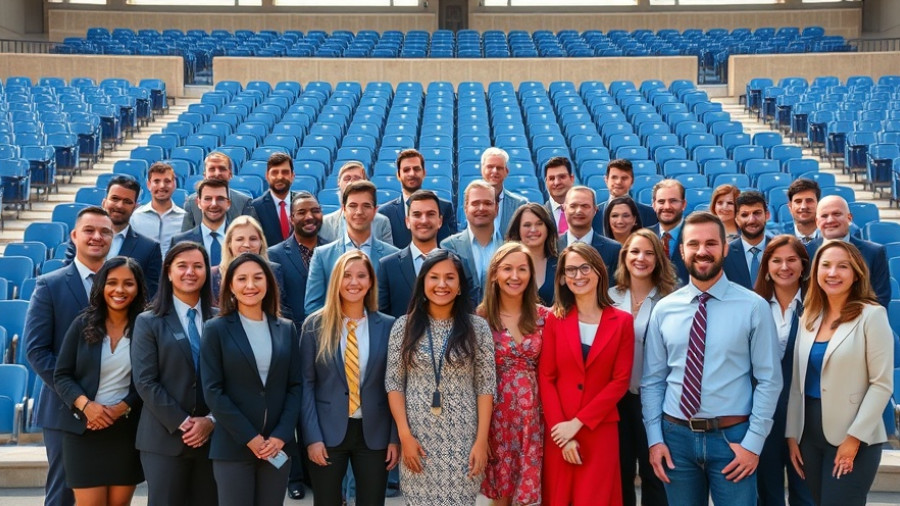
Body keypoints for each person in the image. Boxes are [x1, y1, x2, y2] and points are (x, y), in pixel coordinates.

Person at [642, 211, 781, 506]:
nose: (702, 251)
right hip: (675, 439)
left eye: (710, 244)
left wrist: (753, 444)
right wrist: (655, 439)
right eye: (693, 244)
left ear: (725, 247)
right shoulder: (665, 309)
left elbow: (770, 380)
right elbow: (653, 380)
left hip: (733, 441)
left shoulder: (753, 307)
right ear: (682, 250)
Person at [786, 240, 893, 506]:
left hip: (854, 435)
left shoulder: (873, 315)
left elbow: (881, 385)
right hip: (808, 435)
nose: (833, 273)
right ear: (816, 271)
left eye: (842, 266)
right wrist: (791, 435)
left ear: (856, 273)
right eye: (826, 265)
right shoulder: (809, 316)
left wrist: (853, 439)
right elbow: (797, 383)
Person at [385, 249, 496, 505]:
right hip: (417, 440)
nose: (442, 285)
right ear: (423, 283)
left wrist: (481, 441)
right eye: (434, 277)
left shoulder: (477, 327)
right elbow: (394, 384)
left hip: (463, 441)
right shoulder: (404, 326)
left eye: (450, 278)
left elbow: (486, 386)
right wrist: (404, 436)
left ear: (459, 286)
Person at [25, 206, 114, 506]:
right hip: (66, 412)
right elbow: (37, 351)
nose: (97, 237)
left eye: (105, 232)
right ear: (74, 235)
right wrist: (80, 400)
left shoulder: (123, 285)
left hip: (113, 413)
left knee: (106, 494)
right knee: (63, 495)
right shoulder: (49, 285)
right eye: (89, 231)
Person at [200, 253, 303, 506]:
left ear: (268, 283)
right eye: (242, 279)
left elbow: (295, 386)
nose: (250, 285)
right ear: (231, 286)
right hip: (234, 445)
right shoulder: (216, 329)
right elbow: (213, 390)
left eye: (258, 278)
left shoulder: (286, 328)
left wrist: (280, 435)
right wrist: (250, 437)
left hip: (276, 447)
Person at [539, 241, 635, 506]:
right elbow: (546, 377)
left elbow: (620, 381)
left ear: (599, 272)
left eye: (584, 268)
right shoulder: (554, 319)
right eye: (571, 270)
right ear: (561, 278)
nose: (578, 276)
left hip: (599, 429)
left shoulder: (622, 321)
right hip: (559, 430)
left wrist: (578, 423)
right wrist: (563, 431)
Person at [300, 250, 399, 506]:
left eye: (361, 276)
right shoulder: (314, 326)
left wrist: (393, 438)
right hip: (327, 432)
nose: (354, 282)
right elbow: (306, 386)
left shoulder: (388, 326)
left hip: (374, 433)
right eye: (347, 276)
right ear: (336, 280)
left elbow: (396, 386)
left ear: (370, 282)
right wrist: (312, 438)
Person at [53, 257, 148, 506]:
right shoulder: (82, 324)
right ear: (101, 286)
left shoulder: (147, 327)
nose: (119, 290)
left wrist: (122, 407)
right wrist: (87, 406)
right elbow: (61, 375)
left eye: (128, 283)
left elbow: (150, 379)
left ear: (138, 287)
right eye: (112, 282)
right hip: (84, 430)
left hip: (125, 431)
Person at [131, 242, 219, 506]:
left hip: (213, 439)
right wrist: (185, 422)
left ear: (206, 272)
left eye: (197, 266)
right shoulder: (148, 321)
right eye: (182, 266)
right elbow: (145, 381)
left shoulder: (221, 319)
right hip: (164, 439)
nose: (190, 272)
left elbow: (232, 379)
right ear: (169, 272)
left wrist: (211, 421)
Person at [477, 242, 548, 506]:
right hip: (496, 420)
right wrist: (480, 434)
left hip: (534, 419)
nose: (515, 276)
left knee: (530, 496)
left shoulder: (544, 317)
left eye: (522, 269)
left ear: (531, 274)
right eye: (507, 269)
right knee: (501, 497)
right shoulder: (481, 319)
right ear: (494, 274)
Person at [609, 230, 676, 506]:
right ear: (625, 257)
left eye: (649, 253)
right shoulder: (608, 296)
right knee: (620, 472)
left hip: (656, 401)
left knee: (654, 473)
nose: (641, 258)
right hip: (615, 401)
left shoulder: (671, 299)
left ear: (659, 259)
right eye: (635, 251)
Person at [752, 235, 815, 506]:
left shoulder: (819, 306)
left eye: (792, 260)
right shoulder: (753, 307)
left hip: (805, 415)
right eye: (776, 261)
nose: (784, 267)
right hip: (762, 413)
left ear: (803, 266)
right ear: (766, 267)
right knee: (768, 492)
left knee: (806, 492)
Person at [305, 180, 399, 315]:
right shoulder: (322, 256)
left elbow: (397, 307)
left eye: (366, 206)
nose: (359, 212)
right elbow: (313, 308)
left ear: (375, 211)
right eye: (353, 206)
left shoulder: (393, 256)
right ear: (343, 209)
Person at [64, 174, 162, 297]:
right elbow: (69, 281)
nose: (119, 205)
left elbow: (149, 297)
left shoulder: (149, 249)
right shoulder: (79, 239)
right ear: (104, 202)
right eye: (115, 199)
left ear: (135, 207)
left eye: (127, 202)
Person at [805, 195, 891, 308]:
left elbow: (881, 298)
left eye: (837, 214)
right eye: (824, 216)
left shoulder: (874, 252)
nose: (830, 220)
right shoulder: (806, 252)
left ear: (849, 218)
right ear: (817, 222)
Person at [379, 190, 443, 318]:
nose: (424, 221)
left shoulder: (456, 264)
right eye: (417, 215)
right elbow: (381, 320)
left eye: (430, 214)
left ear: (440, 221)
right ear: (407, 221)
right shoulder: (388, 266)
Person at [377, 148, 457, 248]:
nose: (412, 174)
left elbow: (449, 249)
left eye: (416, 169)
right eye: (406, 170)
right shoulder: (385, 213)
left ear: (424, 173)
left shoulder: (444, 207)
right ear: (398, 175)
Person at [441, 179, 504, 305]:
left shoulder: (508, 247)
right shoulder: (449, 247)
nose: (481, 208)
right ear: (465, 208)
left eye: (487, 203)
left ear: (496, 208)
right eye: (475, 203)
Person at [268, 191, 326, 326]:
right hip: (293, 334)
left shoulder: (334, 250)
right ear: (291, 219)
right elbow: (277, 303)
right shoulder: (274, 255)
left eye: (315, 211)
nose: (309, 217)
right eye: (301, 212)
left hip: (330, 333)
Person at [208, 215, 285, 309]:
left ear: (261, 243)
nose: (247, 245)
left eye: (253, 239)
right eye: (240, 239)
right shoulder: (213, 275)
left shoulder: (274, 271)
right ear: (229, 244)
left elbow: (281, 310)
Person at [556, 186, 621, 285]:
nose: (579, 211)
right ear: (564, 208)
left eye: (585, 206)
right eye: (573, 206)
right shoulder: (552, 248)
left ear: (595, 210)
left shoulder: (614, 250)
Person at [320, 161, 393, 244]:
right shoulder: (325, 224)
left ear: (366, 182)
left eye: (357, 178)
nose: (351, 183)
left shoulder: (382, 223)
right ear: (339, 183)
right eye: (347, 179)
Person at [182, 151, 254, 231]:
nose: (217, 173)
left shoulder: (244, 202)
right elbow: (185, 239)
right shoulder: (191, 203)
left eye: (222, 169)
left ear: (230, 174)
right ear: (205, 175)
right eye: (212, 169)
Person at [130, 161, 186, 259]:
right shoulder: (135, 217)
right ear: (148, 185)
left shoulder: (186, 219)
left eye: (167, 181)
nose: (162, 186)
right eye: (156, 181)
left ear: (174, 184)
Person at [506, 203, 559, 305]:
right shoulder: (505, 265)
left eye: (539, 224)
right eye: (527, 225)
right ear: (518, 230)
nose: (533, 230)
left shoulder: (560, 264)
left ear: (547, 228)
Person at [170, 178, 230, 267]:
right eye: (208, 199)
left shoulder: (242, 240)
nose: (214, 204)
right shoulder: (180, 242)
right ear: (198, 203)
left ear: (228, 204)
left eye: (220, 199)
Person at [723, 191, 773, 290]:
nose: (751, 220)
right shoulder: (725, 254)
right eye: (745, 215)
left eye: (757, 213)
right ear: (736, 219)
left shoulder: (780, 249)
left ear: (767, 215)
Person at [249, 153, 302, 248]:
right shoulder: (255, 207)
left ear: (292, 176)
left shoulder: (304, 202)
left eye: (285, 172)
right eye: (275, 172)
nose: (280, 177)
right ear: (267, 176)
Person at [594, 159, 658, 235]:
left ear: (632, 181)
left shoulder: (650, 214)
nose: (618, 182)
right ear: (606, 180)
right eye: (614, 177)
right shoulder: (594, 214)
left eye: (624, 178)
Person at [481, 147, 529, 236]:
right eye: (490, 167)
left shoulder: (519, 204)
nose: (494, 171)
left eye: (499, 168)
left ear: (506, 172)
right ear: (482, 170)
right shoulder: (472, 203)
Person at [649, 179, 689, 284]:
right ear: (654, 205)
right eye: (661, 202)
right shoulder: (643, 237)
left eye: (673, 201)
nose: (667, 207)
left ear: (683, 204)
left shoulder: (697, 236)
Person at [542, 156, 575, 235]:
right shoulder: (540, 215)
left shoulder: (588, 211)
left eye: (562, 177)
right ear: (546, 182)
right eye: (552, 178)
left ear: (572, 179)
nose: (556, 182)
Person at [787, 179, 821, 244]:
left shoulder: (830, 237)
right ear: (790, 206)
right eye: (798, 201)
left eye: (809, 201)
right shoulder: (777, 237)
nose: (803, 207)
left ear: (819, 204)